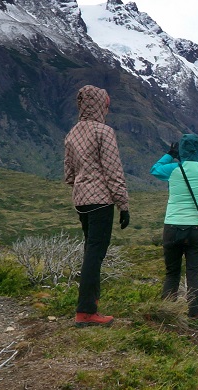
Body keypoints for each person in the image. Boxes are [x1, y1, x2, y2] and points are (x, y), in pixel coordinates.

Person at [64, 84, 130, 327]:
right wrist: (123, 204)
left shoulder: (72, 133)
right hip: (101, 199)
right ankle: (86, 311)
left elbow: (68, 173)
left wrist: (81, 186)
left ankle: (90, 305)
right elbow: (113, 171)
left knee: (90, 250)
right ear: (101, 104)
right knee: (95, 253)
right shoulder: (104, 132)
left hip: (81, 199)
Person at [150, 133, 198, 318]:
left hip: (172, 227)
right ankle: (195, 316)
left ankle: (167, 314)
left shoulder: (173, 169)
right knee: (194, 275)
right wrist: (195, 157)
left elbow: (155, 169)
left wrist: (170, 154)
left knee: (172, 273)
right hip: (197, 229)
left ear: (180, 150)